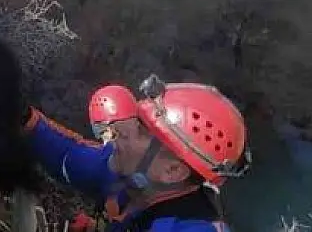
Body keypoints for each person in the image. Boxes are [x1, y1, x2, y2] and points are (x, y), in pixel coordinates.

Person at [22, 75, 252, 232]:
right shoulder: (126, 169)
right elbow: (68, 156)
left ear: (172, 171)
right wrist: (21, 118)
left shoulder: (189, 227)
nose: (120, 131)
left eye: (141, 131)